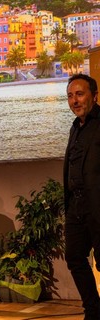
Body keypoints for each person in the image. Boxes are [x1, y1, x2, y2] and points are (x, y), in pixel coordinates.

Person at [64, 74, 100, 320]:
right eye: (69, 96)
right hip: (76, 206)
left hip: (98, 207)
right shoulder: (75, 127)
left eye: (79, 94)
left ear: (94, 96)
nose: (74, 100)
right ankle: (94, 310)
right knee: (75, 257)